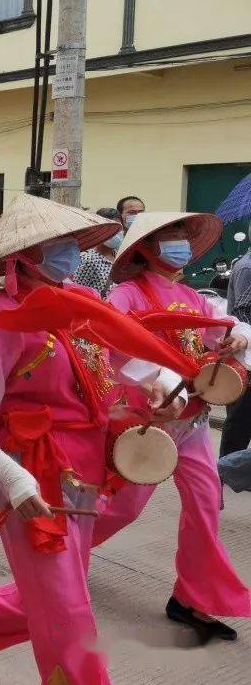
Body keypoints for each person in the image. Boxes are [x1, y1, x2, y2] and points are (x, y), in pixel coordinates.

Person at [0, 195, 177, 685]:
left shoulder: (83, 305)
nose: (68, 253)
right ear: (23, 255)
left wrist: (158, 381)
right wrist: (11, 475)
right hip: (30, 468)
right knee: (66, 607)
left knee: (59, 589)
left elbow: (125, 357)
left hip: (88, 465)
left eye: (71, 243)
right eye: (55, 245)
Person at [89, 211, 251, 638]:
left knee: (204, 506)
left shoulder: (196, 299)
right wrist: (156, 379)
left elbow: (222, 331)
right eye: (170, 236)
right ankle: (62, 555)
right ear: (145, 248)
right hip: (149, 423)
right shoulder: (126, 295)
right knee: (124, 508)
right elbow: (110, 345)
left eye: (183, 235)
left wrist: (237, 338)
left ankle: (191, 599)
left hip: (194, 423)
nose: (180, 242)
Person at [220, 233, 251, 459]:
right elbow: (242, 312)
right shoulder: (246, 268)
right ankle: (229, 467)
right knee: (241, 417)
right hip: (245, 353)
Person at [73, 207, 122, 297]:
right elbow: (77, 292)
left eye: (118, 228)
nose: (115, 233)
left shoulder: (120, 256)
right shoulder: (88, 259)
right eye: (109, 228)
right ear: (98, 230)